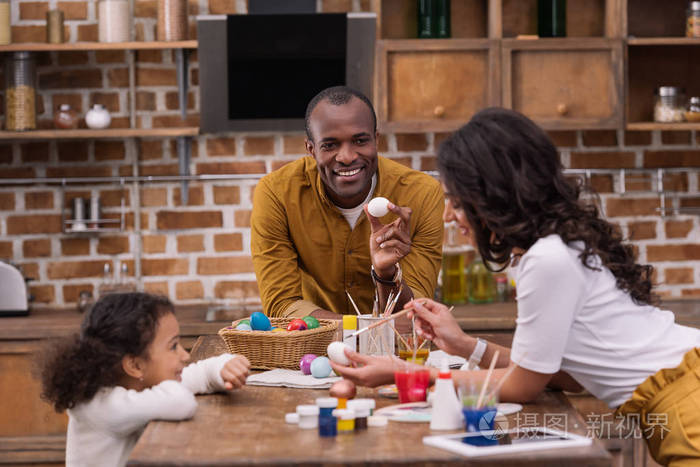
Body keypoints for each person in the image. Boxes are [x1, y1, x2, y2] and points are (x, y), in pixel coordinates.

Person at [331, 108, 700, 466]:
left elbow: (524, 386)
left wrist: (405, 373)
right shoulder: (553, 249)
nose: (448, 215)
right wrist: (464, 345)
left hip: (687, 405)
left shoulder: (547, 261)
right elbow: (563, 376)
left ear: (493, 195)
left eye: (457, 201)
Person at [251, 86, 444, 320]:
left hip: (395, 348)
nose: (347, 156)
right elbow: (282, 305)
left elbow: (414, 314)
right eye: (330, 145)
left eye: (360, 140)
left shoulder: (421, 194)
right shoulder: (277, 193)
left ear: (376, 139)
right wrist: (357, 332)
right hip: (313, 348)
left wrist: (386, 274)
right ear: (311, 149)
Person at [40, 292, 250, 467]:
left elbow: (194, 375)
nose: (185, 355)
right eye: (173, 346)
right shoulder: (101, 407)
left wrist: (221, 367)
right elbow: (179, 400)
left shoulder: (134, 384)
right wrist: (201, 377)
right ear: (135, 365)